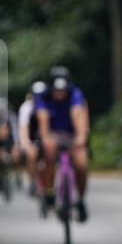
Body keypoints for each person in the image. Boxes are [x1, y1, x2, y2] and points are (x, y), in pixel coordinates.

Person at [36, 67, 90, 222]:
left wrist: (80, 137)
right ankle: (49, 191)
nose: (59, 93)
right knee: (49, 151)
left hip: (71, 133)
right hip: (52, 134)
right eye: (56, 90)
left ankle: (80, 199)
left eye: (62, 90)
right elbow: (43, 118)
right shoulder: (43, 97)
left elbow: (77, 113)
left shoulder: (75, 94)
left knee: (81, 164)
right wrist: (46, 138)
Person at [18, 81, 46, 197]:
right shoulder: (26, 107)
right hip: (33, 138)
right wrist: (26, 144)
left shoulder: (50, 104)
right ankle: (32, 182)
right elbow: (23, 127)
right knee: (32, 154)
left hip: (47, 138)